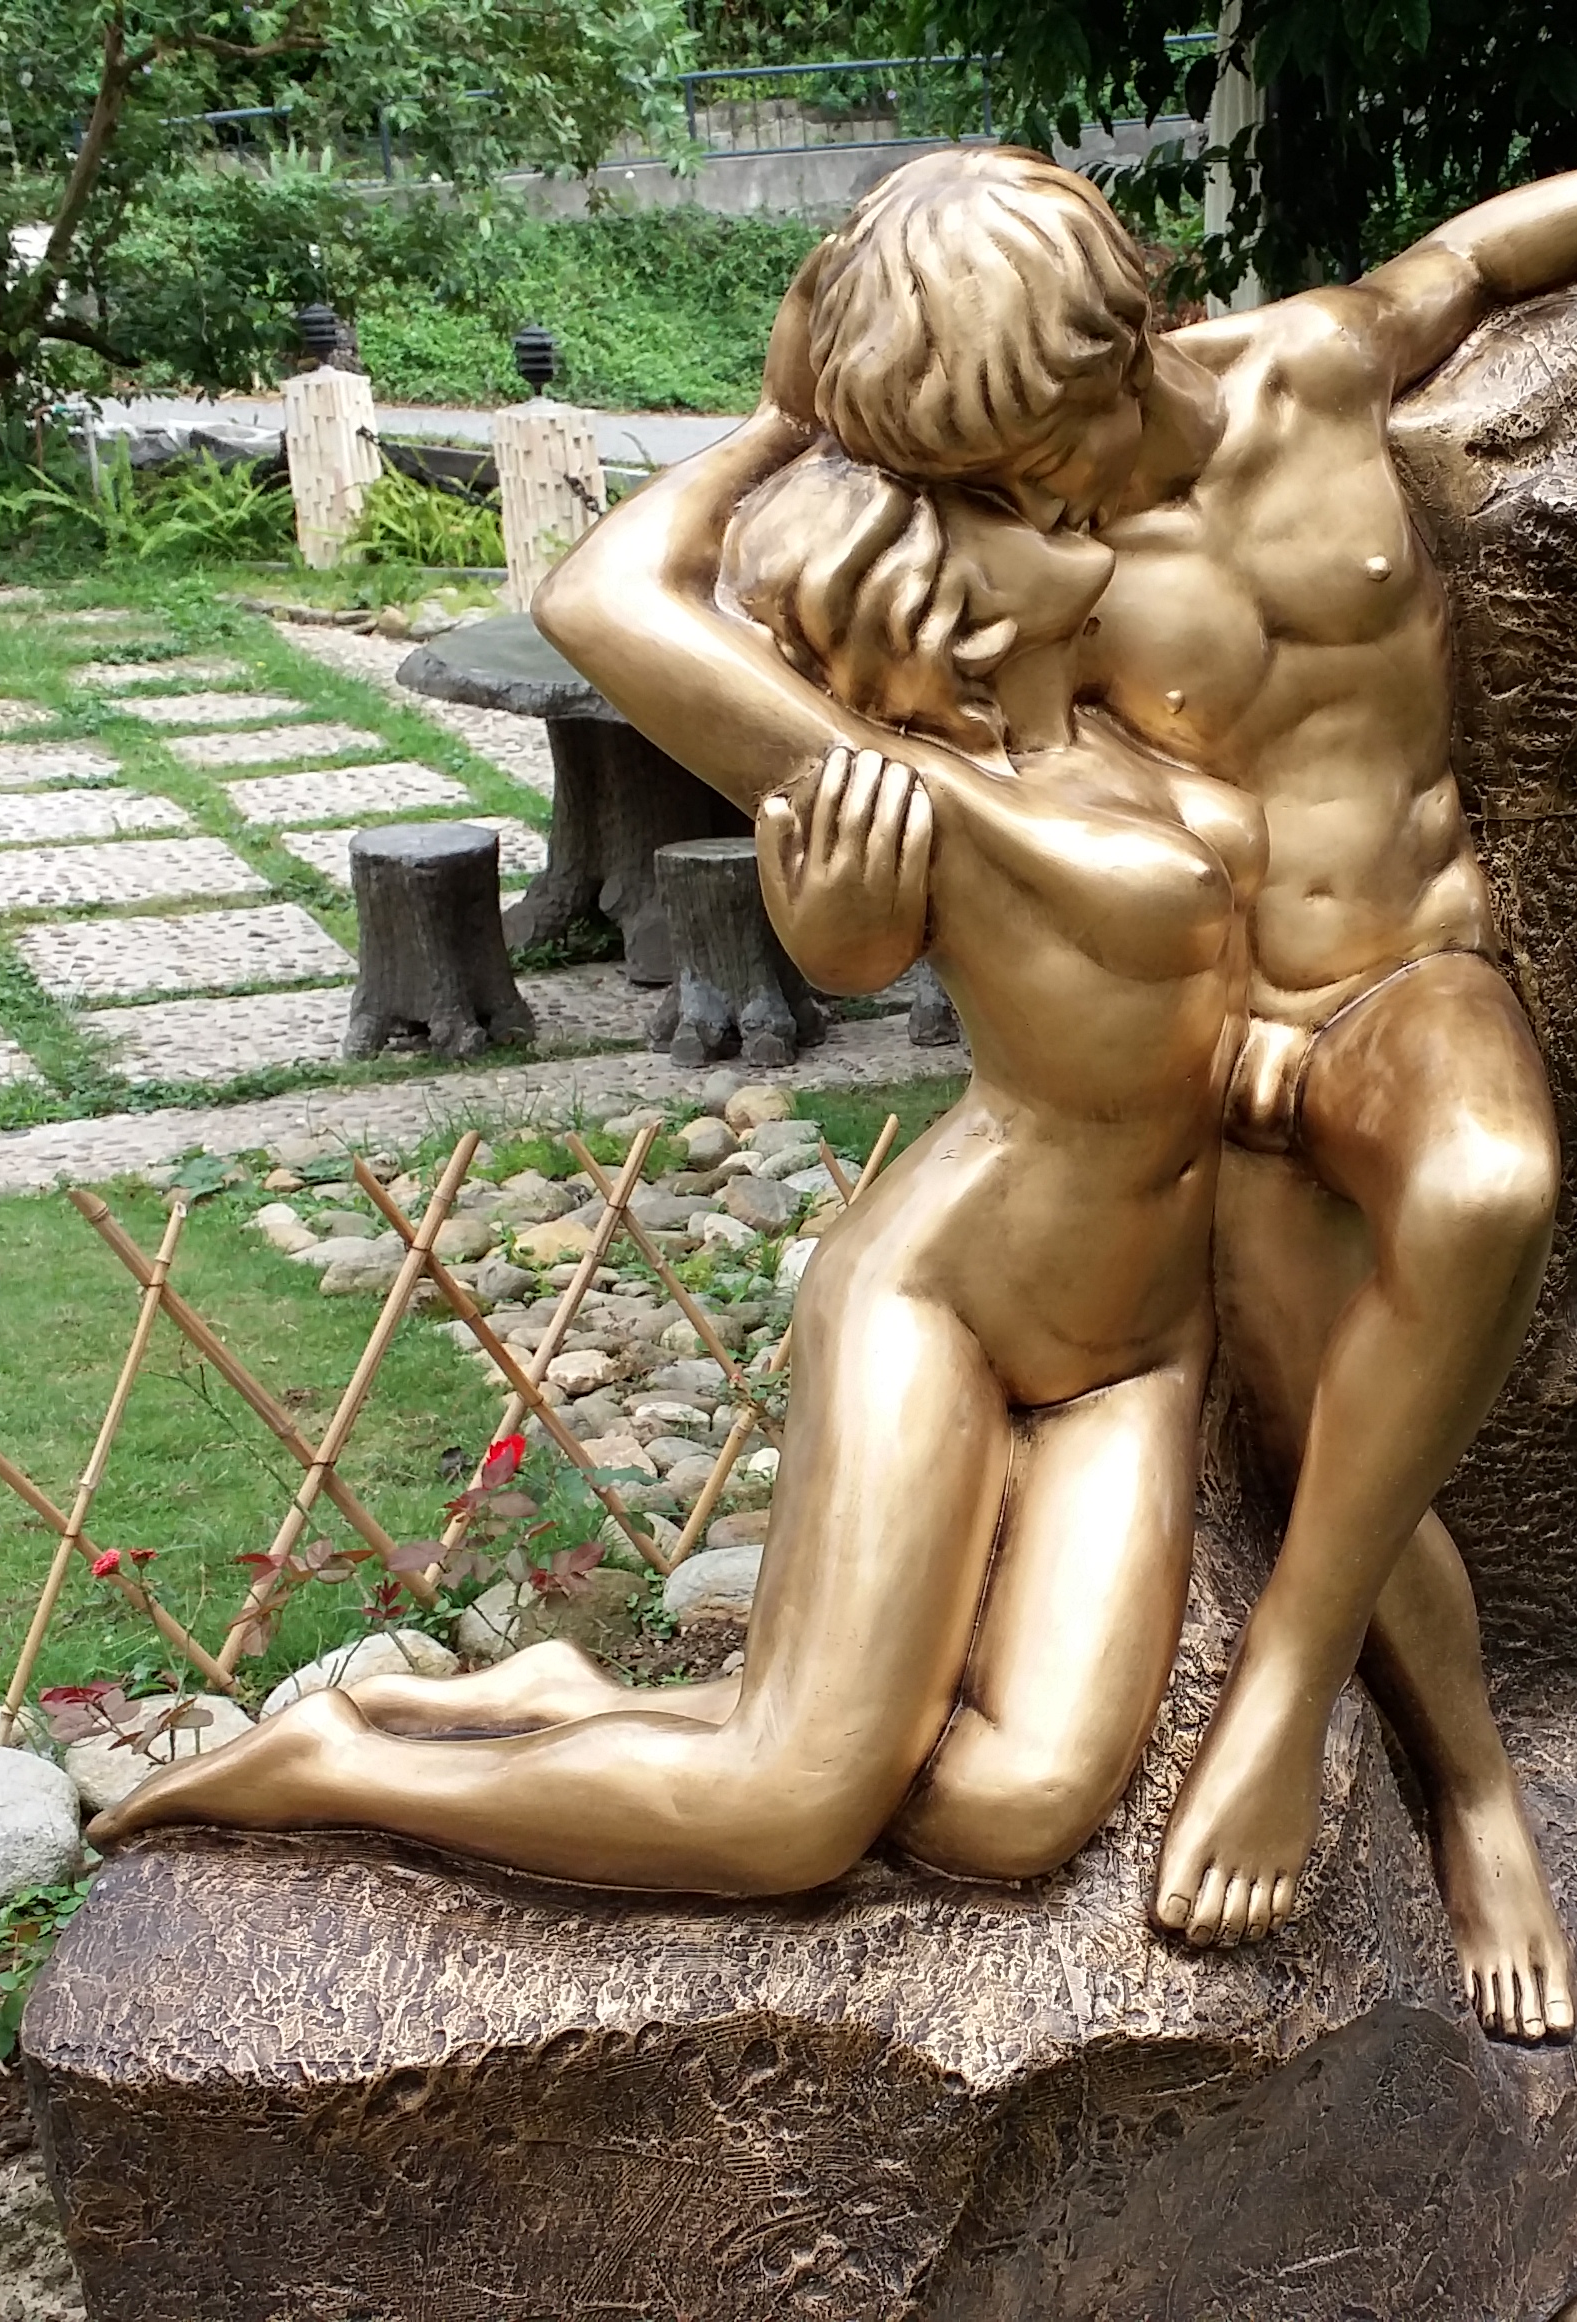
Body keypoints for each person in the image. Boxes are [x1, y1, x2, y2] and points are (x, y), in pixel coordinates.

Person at [545, 142, 1577, 1990]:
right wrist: (833, 900)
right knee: (1326, 1409)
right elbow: (868, 819)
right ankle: (1474, 1788)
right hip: (1206, 1059)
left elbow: (1466, 261)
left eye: (1043, 443)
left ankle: (1288, 1703)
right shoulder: (1001, 552)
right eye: (983, 474)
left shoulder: (1311, 369)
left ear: (1123, 339)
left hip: (1411, 971)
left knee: (1490, 1181)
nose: (1027, 494)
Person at [97, 461, 1272, 1921]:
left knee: (1011, 1808)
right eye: (1005, 507)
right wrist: (785, 416)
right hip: (950, 1304)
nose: (1059, 498)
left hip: (1138, 1345)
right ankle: (347, 1765)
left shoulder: (1121, 728)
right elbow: (597, 598)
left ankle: (578, 1702)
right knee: (792, 1815)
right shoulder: (897, 784)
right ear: (951, 608)